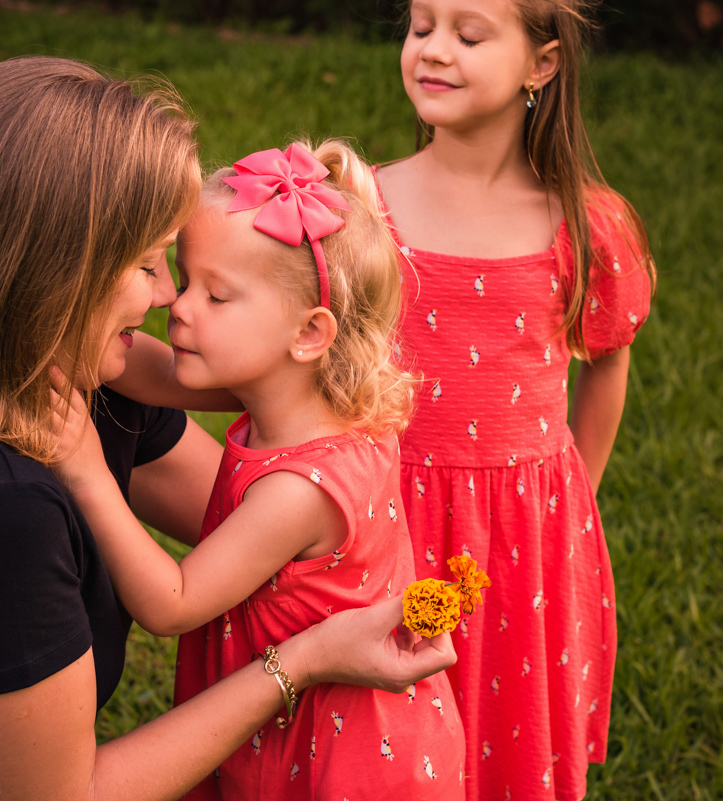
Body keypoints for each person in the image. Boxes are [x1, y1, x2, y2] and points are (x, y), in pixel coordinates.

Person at [0, 56, 456, 801]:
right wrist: (306, 658)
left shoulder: (87, 382)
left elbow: (240, 525)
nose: (166, 298)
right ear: (59, 279)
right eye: (150, 265)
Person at [49, 140, 465, 800]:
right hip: (341, 721)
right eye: (184, 280)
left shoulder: (296, 492)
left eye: (216, 296)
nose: (177, 306)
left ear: (308, 332)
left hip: (330, 751)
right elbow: (149, 373)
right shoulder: (304, 390)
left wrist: (87, 472)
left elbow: (172, 602)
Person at [373, 1, 657, 799]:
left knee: (500, 736)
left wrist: (575, 500)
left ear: (543, 64)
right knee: (384, 737)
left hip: (520, 541)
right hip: (386, 515)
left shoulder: (583, 226)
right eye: (421, 26)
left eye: (467, 35)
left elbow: (607, 360)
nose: (432, 50)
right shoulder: (364, 208)